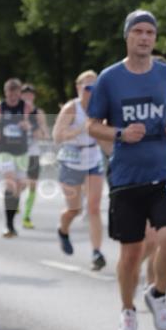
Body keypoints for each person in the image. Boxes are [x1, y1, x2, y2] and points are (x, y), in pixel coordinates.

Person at [87, 10, 166, 330]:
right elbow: (92, 125)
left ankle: (158, 294)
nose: (145, 37)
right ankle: (127, 311)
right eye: (139, 32)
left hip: (163, 174)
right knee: (131, 253)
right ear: (127, 36)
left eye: (150, 32)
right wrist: (120, 133)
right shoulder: (109, 78)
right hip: (125, 178)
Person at [52, 70, 107, 271]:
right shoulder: (71, 108)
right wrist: (82, 129)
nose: (90, 91)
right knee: (75, 209)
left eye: (95, 87)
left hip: (93, 159)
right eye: (87, 87)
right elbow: (57, 136)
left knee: (94, 207)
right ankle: (63, 229)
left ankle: (96, 252)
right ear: (78, 88)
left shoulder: (101, 108)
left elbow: (107, 136)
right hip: (71, 161)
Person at [0, 79, 32, 237]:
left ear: (19, 93)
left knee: (20, 186)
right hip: (5, 150)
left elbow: (29, 124)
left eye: (16, 92)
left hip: (21, 151)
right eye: (10, 92)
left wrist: (26, 125)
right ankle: (9, 226)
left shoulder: (25, 106)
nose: (13, 96)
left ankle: (11, 217)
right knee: (11, 183)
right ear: (5, 92)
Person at [19, 83, 50, 229]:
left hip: (33, 153)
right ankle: (16, 199)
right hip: (17, 154)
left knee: (32, 185)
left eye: (30, 95)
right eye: (24, 94)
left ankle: (26, 216)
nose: (27, 97)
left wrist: (35, 128)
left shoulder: (38, 113)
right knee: (20, 184)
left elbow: (45, 135)